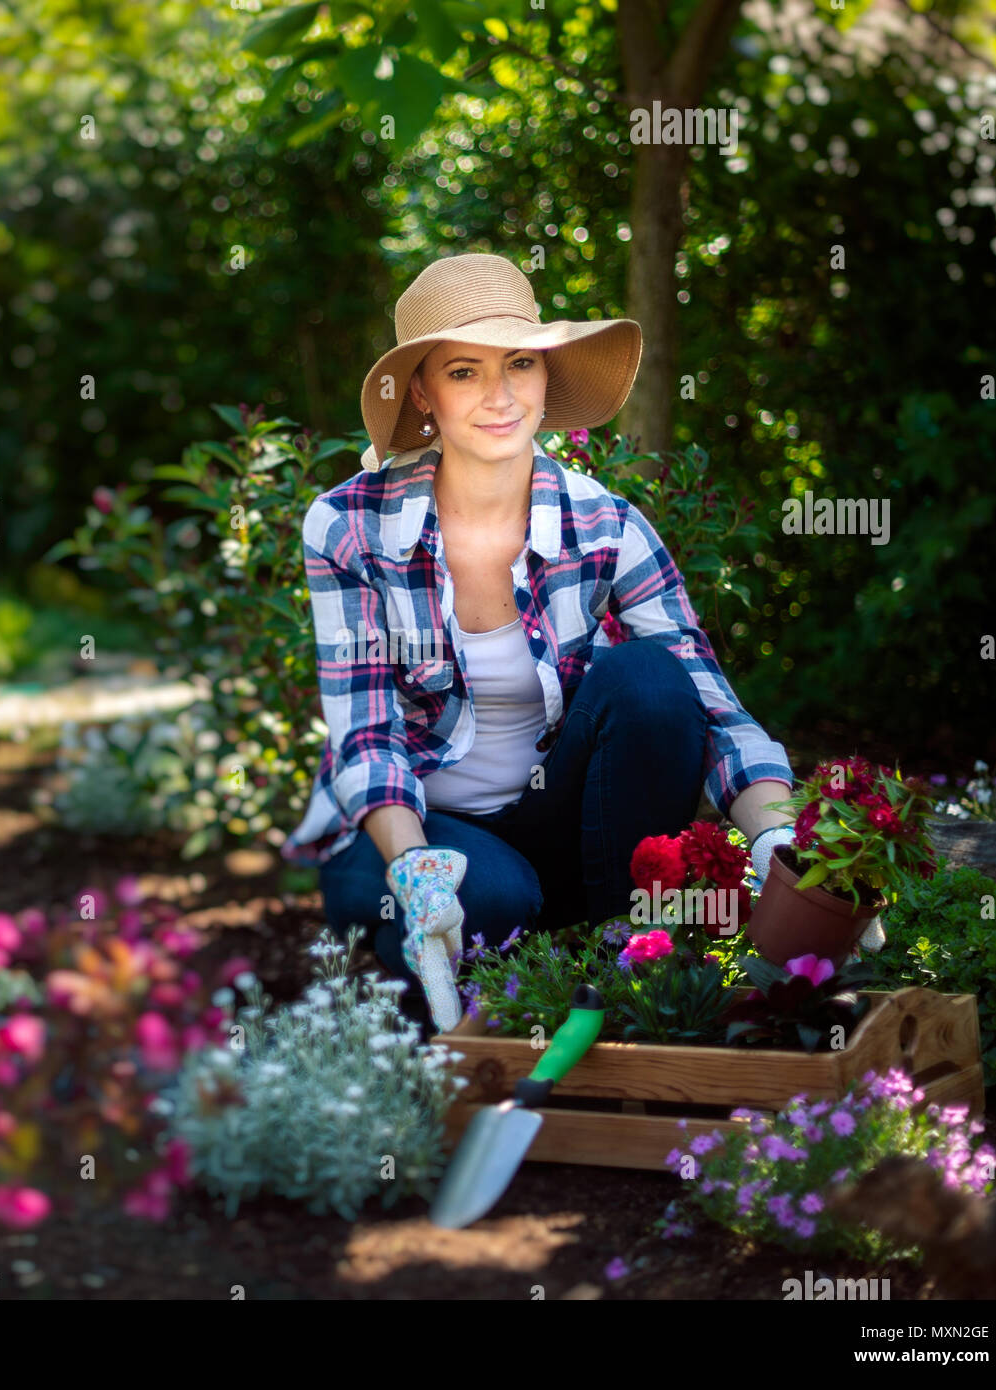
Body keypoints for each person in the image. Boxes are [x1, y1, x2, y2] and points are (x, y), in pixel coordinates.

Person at [281, 252, 797, 1032]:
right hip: (401, 832)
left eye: (519, 363)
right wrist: (419, 873)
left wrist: (778, 840)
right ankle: (424, 951)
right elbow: (366, 734)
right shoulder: (349, 526)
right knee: (490, 896)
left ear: (546, 373)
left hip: (545, 822)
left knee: (651, 679)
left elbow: (710, 704)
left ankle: (628, 959)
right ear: (421, 392)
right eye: (464, 372)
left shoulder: (606, 524)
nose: (500, 395)